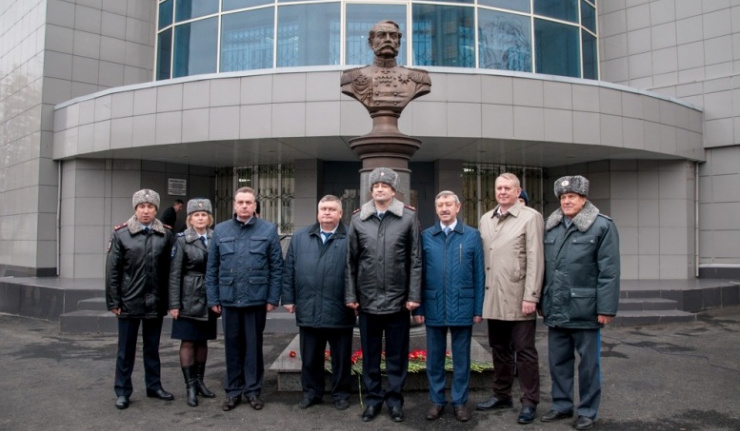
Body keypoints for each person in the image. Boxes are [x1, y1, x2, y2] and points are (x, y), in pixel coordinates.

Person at [539, 175, 620, 431]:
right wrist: (541, 299)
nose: (566, 201)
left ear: (583, 199)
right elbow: (543, 268)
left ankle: (587, 411)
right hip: (556, 307)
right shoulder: (550, 225)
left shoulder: (602, 226)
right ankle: (561, 405)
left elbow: (609, 272)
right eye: (563, 197)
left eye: (572, 197)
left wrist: (606, 308)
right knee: (558, 362)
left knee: (588, 365)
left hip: (585, 308)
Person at [345, 167, 422, 423]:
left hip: (398, 302)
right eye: (376, 186)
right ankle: (373, 400)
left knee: (397, 356)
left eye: (385, 186)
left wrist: (413, 296)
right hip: (367, 301)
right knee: (370, 356)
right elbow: (350, 262)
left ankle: (395, 401)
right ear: (371, 190)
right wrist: (351, 295)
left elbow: (415, 260)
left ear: (393, 190)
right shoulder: (358, 219)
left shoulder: (408, 217)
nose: (379, 189)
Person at [205, 187, 283, 412]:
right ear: (234, 205)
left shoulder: (268, 230)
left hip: (256, 299)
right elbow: (212, 268)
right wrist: (213, 299)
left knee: (253, 348)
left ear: (255, 205)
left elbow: (276, 267)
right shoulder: (221, 230)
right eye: (240, 202)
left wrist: (272, 298)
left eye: (249, 202)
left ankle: (253, 391)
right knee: (232, 347)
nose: (244, 206)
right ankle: (233, 391)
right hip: (229, 299)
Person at [476, 173, 544, 425]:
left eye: (508, 188)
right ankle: (502, 395)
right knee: (499, 349)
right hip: (493, 295)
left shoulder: (531, 217)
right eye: (499, 188)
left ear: (518, 191)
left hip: (519, 297)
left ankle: (529, 401)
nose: (503, 192)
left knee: (525, 352)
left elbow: (536, 258)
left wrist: (531, 296)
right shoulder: (486, 219)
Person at [415, 191, 484, 422]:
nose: (444, 209)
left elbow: (479, 274)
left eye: (448, 204)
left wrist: (478, 309)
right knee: (434, 359)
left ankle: (460, 402)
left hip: (463, 304)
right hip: (433, 304)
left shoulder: (472, 235)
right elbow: (419, 274)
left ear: (458, 207)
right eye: (440, 205)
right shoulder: (426, 236)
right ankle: (436, 401)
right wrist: (419, 308)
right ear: (436, 209)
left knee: (461, 359)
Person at [282, 195, 355, 411]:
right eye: (323, 209)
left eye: (332, 209)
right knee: (310, 357)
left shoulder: (351, 236)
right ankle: (311, 393)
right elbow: (289, 269)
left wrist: (356, 299)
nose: (327, 212)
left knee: (341, 357)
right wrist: (288, 298)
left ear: (340, 213)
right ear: (318, 212)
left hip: (340, 307)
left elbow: (360, 270)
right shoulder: (300, 236)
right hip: (309, 306)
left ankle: (341, 394)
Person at [105, 189, 175, 410]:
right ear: (135, 209)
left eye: (150, 207)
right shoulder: (121, 234)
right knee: (126, 350)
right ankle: (122, 391)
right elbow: (112, 271)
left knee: (152, 348)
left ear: (156, 209)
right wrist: (114, 301)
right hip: (129, 301)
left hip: (155, 301)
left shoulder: (166, 234)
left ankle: (154, 386)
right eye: (141, 207)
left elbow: (171, 271)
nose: (146, 211)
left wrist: (170, 301)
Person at [168, 198, 218, 407]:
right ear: (190, 218)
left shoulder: (216, 238)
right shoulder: (181, 240)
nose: (200, 218)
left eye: (204, 214)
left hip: (208, 297)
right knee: (188, 341)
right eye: (196, 215)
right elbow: (174, 274)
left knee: (203, 341)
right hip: (188, 296)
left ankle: (200, 382)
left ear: (209, 218)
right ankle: (190, 386)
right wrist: (174, 304)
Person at [341, 20, 431, 120]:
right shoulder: (352, 78)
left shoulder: (418, 79)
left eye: (393, 36)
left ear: (399, 43)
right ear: (371, 43)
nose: (388, 40)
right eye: (381, 35)